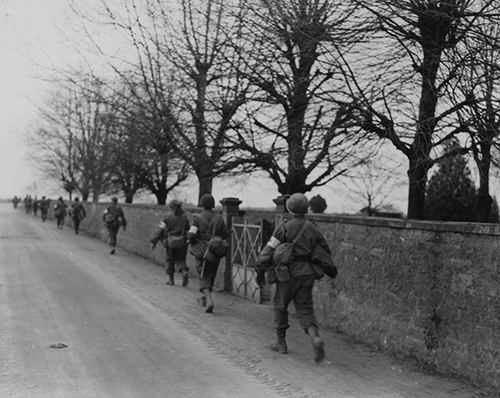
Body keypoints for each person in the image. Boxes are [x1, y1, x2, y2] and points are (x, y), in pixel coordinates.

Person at [256, 193, 335, 364]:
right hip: (307, 273)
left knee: (280, 305)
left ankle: (281, 342)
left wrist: (260, 267)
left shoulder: (284, 227)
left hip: (286, 273)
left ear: (289, 208)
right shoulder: (313, 228)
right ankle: (314, 336)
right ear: (306, 208)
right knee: (305, 308)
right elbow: (325, 251)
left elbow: (269, 249)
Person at [187, 193, 228, 314]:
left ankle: (209, 300)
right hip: (215, 251)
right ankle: (204, 298)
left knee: (202, 275)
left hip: (201, 251)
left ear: (202, 204)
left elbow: (192, 234)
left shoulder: (197, 218)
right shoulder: (219, 218)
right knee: (211, 274)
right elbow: (225, 235)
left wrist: (190, 239)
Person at [150, 200, 190, 286]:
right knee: (182, 260)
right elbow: (188, 228)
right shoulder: (185, 217)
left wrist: (154, 240)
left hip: (171, 242)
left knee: (170, 260)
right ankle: (184, 271)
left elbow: (160, 230)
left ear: (171, 207)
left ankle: (171, 280)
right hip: (182, 242)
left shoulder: (167, 217)